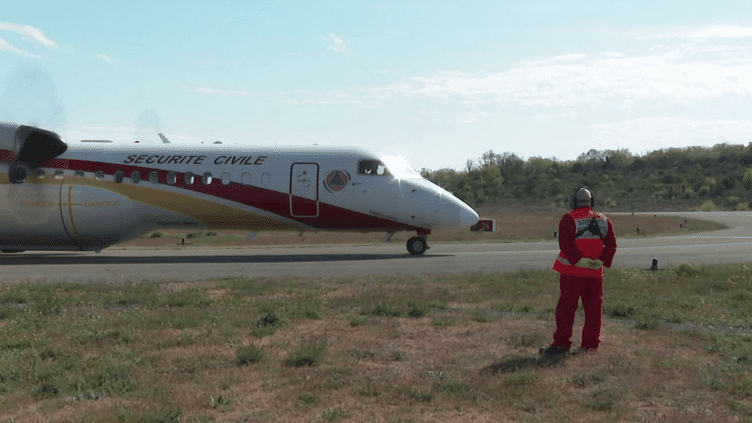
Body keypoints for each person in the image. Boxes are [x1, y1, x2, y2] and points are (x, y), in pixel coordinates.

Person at [540, 187, 617, 356]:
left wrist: (579, 260)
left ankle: (561, 344)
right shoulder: (604, 220)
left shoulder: (569, 219)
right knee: (594, 310)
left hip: (571, 273)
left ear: (574, 201)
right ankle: (590, 344)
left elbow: (565, 245)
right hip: (595, 274)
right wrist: (600, 261)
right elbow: (611, 245)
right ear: (592, 202)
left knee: (566, 309)